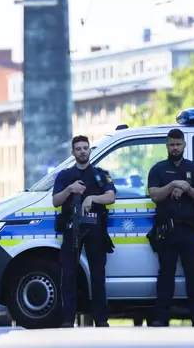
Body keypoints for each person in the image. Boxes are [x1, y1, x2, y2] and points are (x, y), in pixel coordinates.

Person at [147, 128, 194, 327]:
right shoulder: (157, 169)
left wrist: (187, 187)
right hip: (167, 230)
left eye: (178, 144)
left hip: (190, 230)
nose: (174, 148)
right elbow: (155, 195)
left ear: (184, 145)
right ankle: (160, 317)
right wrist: (173, 184)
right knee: (165, 275)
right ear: (166, 146)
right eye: (171, 144)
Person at [53, 135, 117, 328]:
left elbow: (111, 197)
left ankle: (101, 319)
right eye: (78, 148)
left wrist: (92, 199)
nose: (82, 151)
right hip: (72, 230)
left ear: (90, 150)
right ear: (73, 152)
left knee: (98, 276)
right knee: (69, 277)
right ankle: (67, 320)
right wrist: (70, 190)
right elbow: (56, 201)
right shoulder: (65, 176)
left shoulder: (100, 174)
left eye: (85, 148)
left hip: (95, 230)